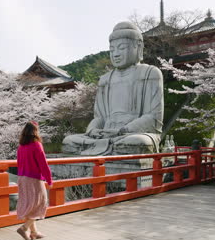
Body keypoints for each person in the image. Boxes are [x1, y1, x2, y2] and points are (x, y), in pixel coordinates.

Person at [62, 21, 164, 155]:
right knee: (69, 141)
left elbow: (153, 117)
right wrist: (93, 130)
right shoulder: (105, 79)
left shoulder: (150, 73)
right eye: (112, 49)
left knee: (138, 142)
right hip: (104, 135)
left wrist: (124, 130)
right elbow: (99, 117)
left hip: (132, 133)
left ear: (138, 47)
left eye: (121, 48)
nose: (115, 54)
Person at [16, 121, 53, 240]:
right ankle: (24, 227)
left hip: (22, 178)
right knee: (41, 202)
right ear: (35, 131)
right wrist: (49, 180)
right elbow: (43, 164)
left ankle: (34, 232)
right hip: (33, 178)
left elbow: (19, 164)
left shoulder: (21, 147)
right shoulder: (36, 145)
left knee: (29, 204)